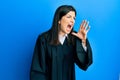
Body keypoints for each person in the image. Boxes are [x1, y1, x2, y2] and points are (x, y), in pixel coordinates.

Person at [30, 5, 93, 80]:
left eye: (74, 18)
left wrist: (83, 41)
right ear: (59, 20)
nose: (72, 21)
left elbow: (84, 64)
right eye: (69, 17)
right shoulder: (44, 39)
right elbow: (37, 71)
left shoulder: (74, 39)